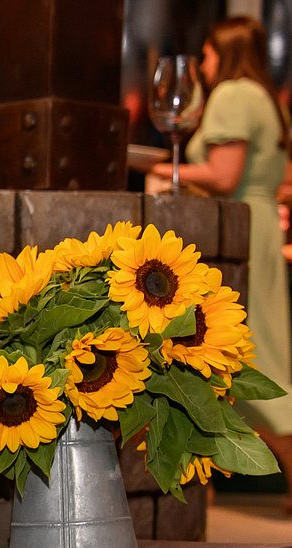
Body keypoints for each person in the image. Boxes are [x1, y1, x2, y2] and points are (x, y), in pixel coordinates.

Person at [153, 16, 292, 503]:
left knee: (246, 354)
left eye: (208, 53)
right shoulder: (267, 99)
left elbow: (224, 175)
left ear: (224, 52)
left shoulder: (234, 94)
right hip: (260, 226)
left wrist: (161, 168)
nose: (203, 64)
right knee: (262, 349)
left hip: (236, 231)